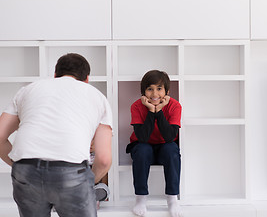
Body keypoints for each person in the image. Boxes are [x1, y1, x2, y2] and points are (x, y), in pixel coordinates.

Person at [0, 53, 113, 217]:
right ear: (87, 79)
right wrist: (87, 183)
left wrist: (21, 166)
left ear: (55, 75)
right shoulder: (97, 96)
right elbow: (103, 159)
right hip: (71, 170)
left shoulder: (28, 90)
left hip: (25, 170)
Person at [126, 70, 183, 217]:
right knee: (143, 149)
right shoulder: (137, 106)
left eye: (159, 89)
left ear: (167, 91)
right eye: (150, 89)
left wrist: (160, 112)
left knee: (172, 150)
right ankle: (140, 198)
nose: (154, 94)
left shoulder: (175, 106)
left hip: (165, 146)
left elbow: (170, 137)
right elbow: (143, 137)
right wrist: (152, 111)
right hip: (143, 146)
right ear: (143, 92)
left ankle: (172, 199)